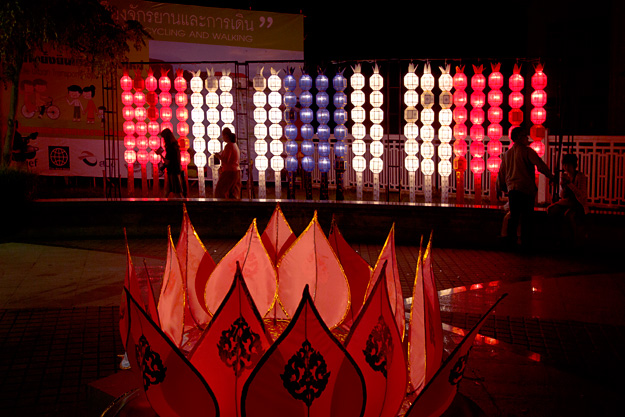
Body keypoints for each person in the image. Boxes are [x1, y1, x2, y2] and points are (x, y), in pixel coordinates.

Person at [497, 127, 555, 251]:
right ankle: (525, 244)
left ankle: (511, 244)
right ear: (518, 137)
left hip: (512, 190)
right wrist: (551, 176)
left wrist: (500, 187)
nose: (527, 138)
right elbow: (540, 166)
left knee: (514, 217)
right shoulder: (527, 152)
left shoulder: (507, 155)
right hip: (526, 189)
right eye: (524, 136)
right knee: (527, 218)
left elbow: (501, 173)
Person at [547, 153, 588, 244]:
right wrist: (563, 185)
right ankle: (557, 237)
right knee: (551, 210)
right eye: (564, 165)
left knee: (569, 215)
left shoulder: (580, 177)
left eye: (568, 165)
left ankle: (575, 239)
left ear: (574, 165)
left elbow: (581, 195)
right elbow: (562, 195)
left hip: (578, 203)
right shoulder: (565, 176)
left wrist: (570, 184)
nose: (566, 167)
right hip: (567, 202)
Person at [156, 128, 184, 198]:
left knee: (177, 191)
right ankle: (164, 203)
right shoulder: (175, 145)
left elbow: (167, 161)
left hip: (172, 171)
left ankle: (183, 205)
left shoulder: (170, 147)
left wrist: (160, 154)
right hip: (176, 169)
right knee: (168, 189)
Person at [214, 128, 241, 199]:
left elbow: (226, 160)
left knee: (220, 191)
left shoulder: (228, 146)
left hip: (229, 172)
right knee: (232, 192)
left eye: (223, 136)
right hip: (235, 172)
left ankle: (222, 207)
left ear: (226, 136)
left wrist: (218, 156)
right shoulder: (235, 145)